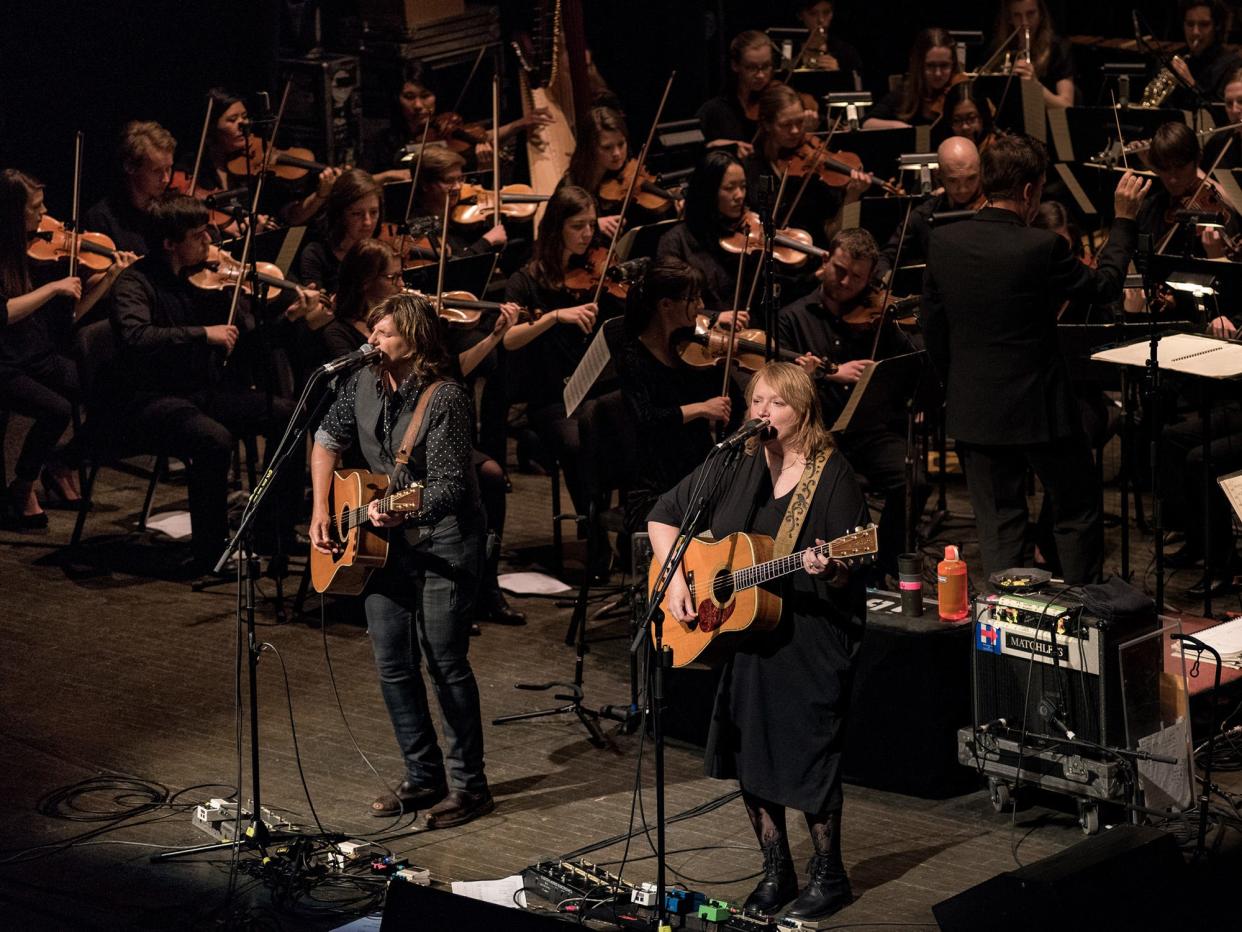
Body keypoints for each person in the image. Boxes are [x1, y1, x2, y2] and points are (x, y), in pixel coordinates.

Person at [647, 360, 868, 921]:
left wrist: (831, 568)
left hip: (813, 631)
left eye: (776, 404)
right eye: (755, 402)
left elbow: (854, 564)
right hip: (746, 631)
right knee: (748, 750)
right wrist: (675, 580)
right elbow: (663, 516)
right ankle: (776, 869)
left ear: (804, 412)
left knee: (808, 752)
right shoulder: (735, 463)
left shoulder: (832, 473)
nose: (762, 413)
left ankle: (829, 872)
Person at [921, 134, 1149, 583]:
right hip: (1040, 411)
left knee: (1000, 527)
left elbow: (933, 329)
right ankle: (1080, 616)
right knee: (1077, 508)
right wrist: (1123, 223)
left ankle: (1008, 630)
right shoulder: (1041, 247)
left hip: (975, 409)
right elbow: (1104, 287)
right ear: (1029, 191)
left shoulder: (943, 242)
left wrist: (958, 386)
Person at [309, 292, 493, 828]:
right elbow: (325, 440)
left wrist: (395, 511)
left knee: (445, 662)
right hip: (384, 545)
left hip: (444, 542)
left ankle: (469, 785)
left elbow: (451, 489)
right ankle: (422, 774)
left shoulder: (446, 399)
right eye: (372, 330)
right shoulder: (360, 383)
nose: (372, 341)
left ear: (413, 340)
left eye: (384, 333)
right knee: (392, 662)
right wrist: (322, 508)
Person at [110, 193, 316, 572]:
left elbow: (248, 341)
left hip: (203, 392)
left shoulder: (210, 280)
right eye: (198, 235)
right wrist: (202, 333)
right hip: (150, 399)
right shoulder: (134, 282)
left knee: (290, 416)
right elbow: (136, 337)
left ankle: (274, 532)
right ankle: (211, 552)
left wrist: (287, 318)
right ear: (170, 243)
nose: (210, 243)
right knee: (214, 439)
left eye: (209, 232)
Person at [779, 227, 922, 579]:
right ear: (826, 260)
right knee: (841, 494)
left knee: (913, 478)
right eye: (840, 270)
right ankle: (838, 570)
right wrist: (827, 374)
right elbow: (779, 385)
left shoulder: (876, 319)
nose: (845, 282)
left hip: (866, 431)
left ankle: (883, 565)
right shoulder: (792, 318)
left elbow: (911, 368)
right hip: (818, 435)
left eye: (857, 277)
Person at [502, 185, 611, 514]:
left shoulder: (593, 273)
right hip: (550, 397)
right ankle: (591, 524)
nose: (587, 234)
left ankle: (614, 524)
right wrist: (553, 316)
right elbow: (508, 339)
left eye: (591, 225)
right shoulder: (526, 280)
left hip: (593, 389)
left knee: (626, 432)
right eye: (577, 226)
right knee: (578, 444)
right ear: (556, 228)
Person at [616, 257, 738, 533]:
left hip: (698, 464)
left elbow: (734, 402)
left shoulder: (694, 347)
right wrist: (702, 409)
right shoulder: (632, 357)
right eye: (692, 298)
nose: (700, 306)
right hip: (657, 476)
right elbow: (648, 419)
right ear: (665, 305)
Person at [367, 60, 551, 181]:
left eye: (425, 96)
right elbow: (361, 183)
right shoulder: (382, 143)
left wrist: (518, 124)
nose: (418, 105)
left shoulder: (447, 131)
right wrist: (388, 175)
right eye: (409, 97)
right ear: (397, 98)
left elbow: (478, 137)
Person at [746, 83, 864, 246]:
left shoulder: (814, 172)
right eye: (786, 125)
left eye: (800, 122)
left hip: (814, 258)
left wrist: (852, 196)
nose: (795, 131)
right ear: (767, 124)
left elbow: (838, 236)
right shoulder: (752, 168)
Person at [876, 136, 983, 281]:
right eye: (953, 180)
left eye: (971, 178)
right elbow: (886, 258)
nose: (963, 189)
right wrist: (886, 283)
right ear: (938, 175)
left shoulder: (996, 207)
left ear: (981, 171)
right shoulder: (924, 215)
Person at [655, 150, 751, 312]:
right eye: (729, 188)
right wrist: (714, 316)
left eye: (743, 187)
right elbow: (672, 305)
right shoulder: (675, 241)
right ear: (708, 192)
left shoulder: (746, 231)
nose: (739, 195)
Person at [562, 105, 672, 239]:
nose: (617, 153)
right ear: (590, 148)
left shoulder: (633, 174)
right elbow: (555, 228)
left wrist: (675, 203)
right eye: (607, 147)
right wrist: (593, 225)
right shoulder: (572, 183)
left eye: (621, 144)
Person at [1136, 122, 1237, 267]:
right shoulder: (1149, 208)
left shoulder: (1217, 210)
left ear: (1197, 160)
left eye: (1180, 168)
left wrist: (1216, 255)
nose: (1172, 178)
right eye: (1164, 169)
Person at [83, 120, 175, 256]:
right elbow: (93, 276)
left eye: (169, 168)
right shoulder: (101, 218)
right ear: (130, 167)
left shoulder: (173, 210)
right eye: (157, 171)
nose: (166, 179)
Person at [403, 146, 506, 260]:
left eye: (460, 179)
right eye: (449, 181)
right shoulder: (420, 224)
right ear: (425, 184)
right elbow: (452, 268)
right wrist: (486, 242)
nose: (458, 187)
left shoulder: (465, 210)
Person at [296, 168, 383, 294]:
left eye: (374, 212)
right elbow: (314, 312)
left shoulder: (383, 250)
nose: (368, 222)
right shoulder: (316, 254)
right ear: (340, 214)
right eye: (357, 214)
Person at [696, 31, 779, 159]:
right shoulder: (713, 111)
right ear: (735, 65)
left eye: (766, 66)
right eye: (752, 68)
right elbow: (698, 155)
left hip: (767, 179)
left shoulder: (779, 103)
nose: (760, 75)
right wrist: (720, 146)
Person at [863, 28, 961, 129]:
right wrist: (902, 128)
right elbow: (867, 123)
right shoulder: (907, 92)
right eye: (930, 65)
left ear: (953, 65)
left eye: (944, 65)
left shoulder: (960, 91)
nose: (937, 73)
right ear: (919, 65)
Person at [988, 0, 1075, 109]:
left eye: (1030, 14)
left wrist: (1035, 85)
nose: (1024, 22)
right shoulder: (999, 48)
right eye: (1017, 15)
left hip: (1045, 122)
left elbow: (1067, 105)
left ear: (1041, 14)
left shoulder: (1058, 48)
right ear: (1009, 18)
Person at [1169, 1, 1242, 110]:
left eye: (1204, 25)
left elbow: (1225, 114)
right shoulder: (1176, 58)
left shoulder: (1231, 64)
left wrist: (1191, 84)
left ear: (1217, 26)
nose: (1195, 32)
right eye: (1190, 24)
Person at [791, 1, 862, 76]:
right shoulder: (788, 47)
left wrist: (838, 75)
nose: (821, 20)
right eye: (813, 13)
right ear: (800, 16)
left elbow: (858, 84)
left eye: (826, 12)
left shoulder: (846, 53)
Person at [930, 81, 998, 152]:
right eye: (957, 120)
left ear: (983, 116)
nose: (965, 127)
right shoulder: (943, 150)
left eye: (971, 118)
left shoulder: (995, 151)